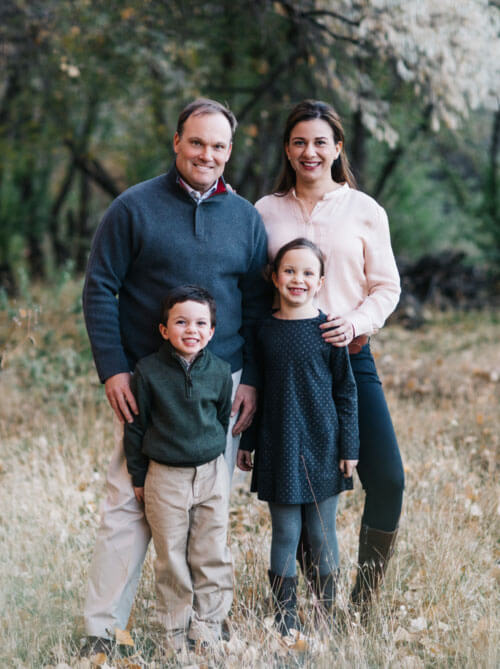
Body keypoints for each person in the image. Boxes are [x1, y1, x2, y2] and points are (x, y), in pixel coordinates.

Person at [81, 98, 269, 655]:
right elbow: (100, 288)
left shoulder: (244, 217)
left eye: (218, 146)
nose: (206, 154)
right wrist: (114, 369)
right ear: (177, 141)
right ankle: (100, 629)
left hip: (223, 381)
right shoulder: (133, 208)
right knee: (129, 499)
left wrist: (251, 379)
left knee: (209, 511)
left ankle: (203, 628)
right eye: (196, 142)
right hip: (149, 383)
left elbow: (258, 302)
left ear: (229, 151)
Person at [254, 100, 405, 620]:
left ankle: (360, 604)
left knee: (386, 478)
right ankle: (298, 606)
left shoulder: (364, 209)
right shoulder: (265, 211)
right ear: (287, 149)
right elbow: (253, 290)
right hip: (283, 364)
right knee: (296, 480)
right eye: (299, 142)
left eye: (320, 142)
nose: (309, 152)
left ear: (337, 148)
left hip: (346, 359)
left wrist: (356, 322)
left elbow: (386, 288)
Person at [237, 238, 359, 636]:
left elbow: (346, 392)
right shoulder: (264, 332)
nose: (298, 280)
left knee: (322, 535)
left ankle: (326, 618)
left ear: (321, 281)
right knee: (286, 533)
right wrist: (248, 443)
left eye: (308, 273)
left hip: (324, 445)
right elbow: (255, 390)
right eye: (289, 271)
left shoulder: (329, 331)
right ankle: (285, 618)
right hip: (278, 447)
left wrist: (349, 447)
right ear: (274, 277)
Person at [123, 285, 233, 651]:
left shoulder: (219, 372)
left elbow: (219, 418)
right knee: (170, 557)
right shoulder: (149, 372)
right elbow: (137, 427)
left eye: (201, 323)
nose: (191, 330)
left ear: (212, 331)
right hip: (165, 476)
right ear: (164, 330)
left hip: (211, 474)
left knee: (211, 553)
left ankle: (208, 629)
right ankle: (173, 636)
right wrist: (139, 477)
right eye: (181, 322)